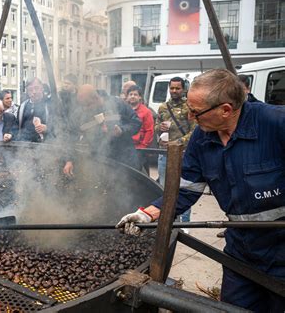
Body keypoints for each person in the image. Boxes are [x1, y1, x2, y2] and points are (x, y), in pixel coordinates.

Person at [116, 69, 285, 312]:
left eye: (196, 112)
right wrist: (148, 213)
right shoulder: (202, 138)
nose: (192, 118)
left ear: (225, 110)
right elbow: (185, 189)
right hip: (241, 251)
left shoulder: (276, 123)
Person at [63, 84, 142, 176]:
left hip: (124, 159)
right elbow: (70, 137)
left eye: (87, 105)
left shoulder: (118, 104)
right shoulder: (79, 115)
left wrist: (122, 130)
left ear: (96, 98)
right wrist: (69, 160)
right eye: (82, 106)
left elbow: (136, 122)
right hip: (99, 160)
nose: (85, 109)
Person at [155, 76, 196, 222]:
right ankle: (167, 220)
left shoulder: (189, 107)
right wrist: (159, 128)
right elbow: (156, 127)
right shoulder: (163, 107)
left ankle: (184, 223)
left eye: (177, 88)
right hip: (164, 155)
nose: (174, 91)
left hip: (183, 155)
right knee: (164, 189)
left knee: (182, 189)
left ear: (183, 89)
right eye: (172, 88)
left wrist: (177, 143)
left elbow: (194, 132)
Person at [16, 77, 52, 142]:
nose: (34, 92)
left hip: (45, 145)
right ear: (27, 91)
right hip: (25, 145)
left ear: (42, 88)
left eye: (36, 88)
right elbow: (17, 126)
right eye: (30, 89)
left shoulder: (50, 105)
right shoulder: (23, 106)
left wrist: (47, 128)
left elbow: (59, 125)